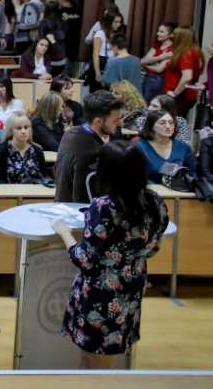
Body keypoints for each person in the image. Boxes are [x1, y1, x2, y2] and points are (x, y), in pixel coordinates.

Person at [51, 141, 167, 368]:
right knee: (97, 356)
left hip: (100, 294)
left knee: (95, 358)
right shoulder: (156, 202)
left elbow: (83, 258)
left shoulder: (104, 207)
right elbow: (153, 248)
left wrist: (64, 232)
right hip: (131, 289)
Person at [55, 90, 123, 203]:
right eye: (116, 120)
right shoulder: (92, 153)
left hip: (61, 204)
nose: (121, 123)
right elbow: (86, 198)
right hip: (78, 211)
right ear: (98, 121)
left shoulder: (71, 133)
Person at [135, 110, 195, 182]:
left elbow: (192, 174)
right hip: (148, 187)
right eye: (162, 123)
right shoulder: (140, 148)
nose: (168, 126)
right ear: (151, 126)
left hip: (176, 187)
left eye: (171, 123)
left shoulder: (183, 147)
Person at [0, 113, 49, 184]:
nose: (23, 131)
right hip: (8, 190)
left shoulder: (37, 150)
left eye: (26, 127)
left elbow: (45, 177)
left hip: (35, 190)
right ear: (11, 130)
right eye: (19, 128)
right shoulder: (0, 151)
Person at [161, 25, 203, 114]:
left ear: (181, 37)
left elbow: (187, 77)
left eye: (174, 34)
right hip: (185, 96)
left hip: (180, 96)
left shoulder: (186, 53)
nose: (171, 36)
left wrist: (174, 94)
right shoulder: (195, 50)